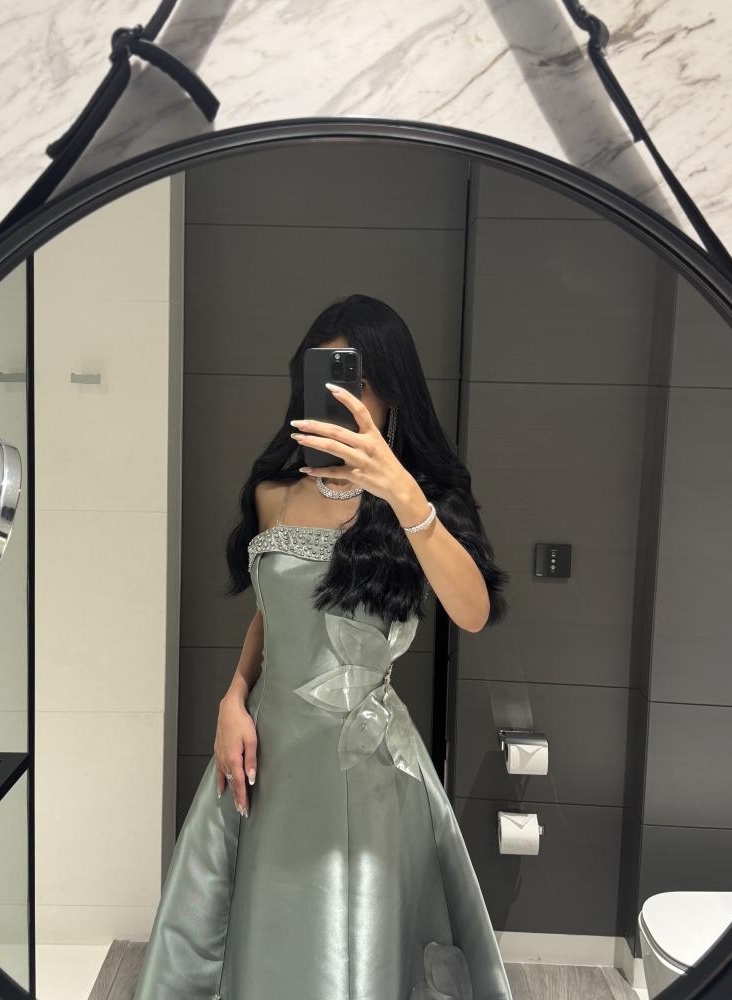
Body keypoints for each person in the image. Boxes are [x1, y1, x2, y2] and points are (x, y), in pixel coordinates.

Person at [134, 294, 513, 1000]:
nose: (342, 399)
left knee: (356, 941)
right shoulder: (274, 492)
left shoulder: (421, 498)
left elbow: (472, 612)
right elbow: (273, 615)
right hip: (268, 755)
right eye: (327, 379)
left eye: (357, 382)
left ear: (391, 391)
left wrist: (404, 496)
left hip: (367, 765)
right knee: (266, 937)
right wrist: (233, 697)